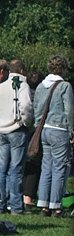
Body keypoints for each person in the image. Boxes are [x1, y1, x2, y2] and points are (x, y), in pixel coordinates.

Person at [0, 59, 33, 215]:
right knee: (16, 169)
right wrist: (27, 122)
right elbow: (25, 106)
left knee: (2, 169)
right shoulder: (22, 86)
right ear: (22, 71)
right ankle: (16, 206)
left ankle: (1, 205)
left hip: (2, 131)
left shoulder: (0, 87)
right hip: (17, 130)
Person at [34, 55, 74, 218]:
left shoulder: (41, 86)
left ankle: (44, 205)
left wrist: (38, 127)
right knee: (59, 168)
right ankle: (57, 206)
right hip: (59, 129)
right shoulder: (65, 86)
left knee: (46, 167)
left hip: (44, 130)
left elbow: (36, 109)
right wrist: (72, 131)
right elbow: (69, 110)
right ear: (63, 69)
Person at [23, 69, 45, 208]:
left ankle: (23, 195)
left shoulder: (23, 93)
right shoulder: (39, 95)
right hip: (34, 131)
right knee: (34, 163)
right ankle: (28, 196)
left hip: (21, 131)